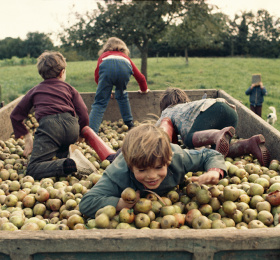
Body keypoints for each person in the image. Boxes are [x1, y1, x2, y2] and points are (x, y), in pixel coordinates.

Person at [79, 123, 227, 218]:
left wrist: (214, 171)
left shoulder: (177, 158)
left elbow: (209, 154)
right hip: (120, 157)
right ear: (131, 167)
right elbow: (86, 203)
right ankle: (88, 132)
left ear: (168, 161)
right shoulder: (118, 174)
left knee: (164, 133)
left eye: (158, 167)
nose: (151, 176)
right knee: (109, 156)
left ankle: (167, 120)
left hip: (158, 153)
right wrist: (119, 204)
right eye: (142, 170)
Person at [10, 51, 97, 180]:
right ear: (62, 72)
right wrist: (80, 133)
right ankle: (70, 157)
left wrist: (28, 137)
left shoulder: (35, 90)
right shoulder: (70, 89)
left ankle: (67, 164)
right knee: (59, 150)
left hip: (50, 127)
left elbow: (15, 115)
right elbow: (83, 112)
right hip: (71, 126)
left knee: (33, 168)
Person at [157, 87, 270, 166]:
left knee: (189, 139)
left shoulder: (168, 111)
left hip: (212, 110)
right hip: (230, 111)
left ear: (165, 105)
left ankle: (217, 135)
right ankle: (249, 145)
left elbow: (157, 131)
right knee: (217, 151)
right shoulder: (189, 108)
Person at [89, 37, 150, 133]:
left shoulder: (103, 56)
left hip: (107, 69)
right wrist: (144, 89)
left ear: (107, 48)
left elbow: (97, 76)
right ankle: (129, 123)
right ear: (123, 48)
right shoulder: (126, 58)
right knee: (122, 95)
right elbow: (140, 77)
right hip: (124, 69)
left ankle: (92, 132)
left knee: (100, 103)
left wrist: (105, 91)